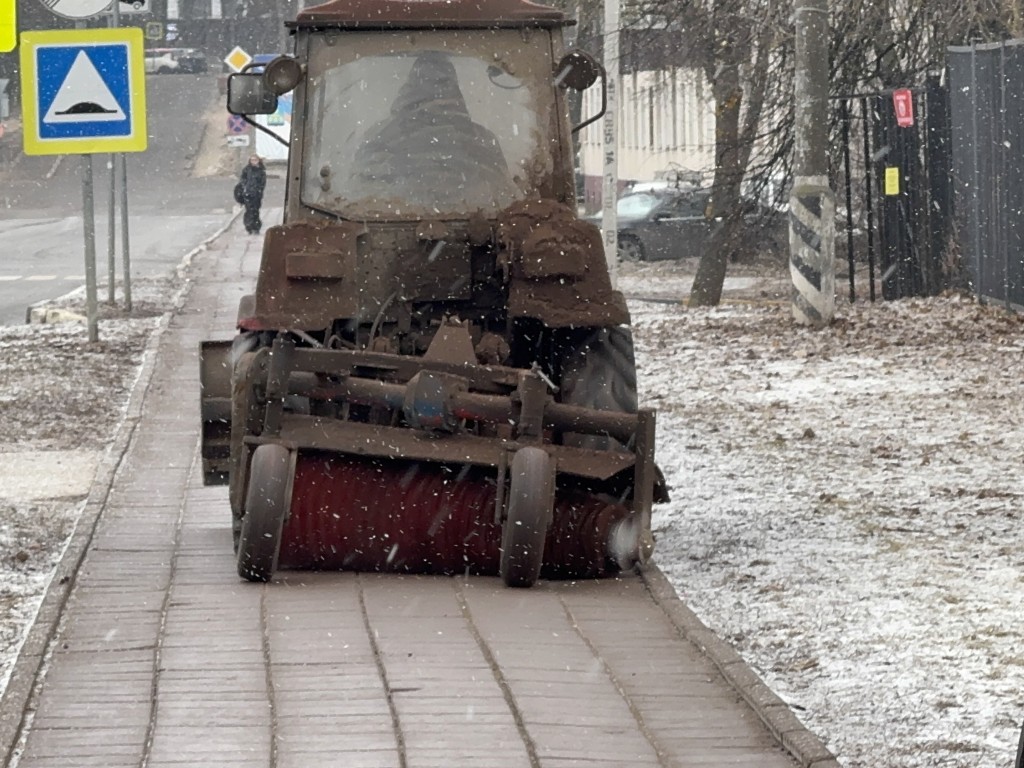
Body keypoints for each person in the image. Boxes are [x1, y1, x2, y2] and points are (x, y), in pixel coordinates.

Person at [238, 154, 266, 235]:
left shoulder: (261, 171)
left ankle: (256, 226)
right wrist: (245, 187)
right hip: (247, 193)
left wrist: (259, 190)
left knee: (255, 210)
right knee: (249, 210)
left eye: (255, 160)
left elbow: (262, 183)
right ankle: (249, 226)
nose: (253, 162)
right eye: (252, 160)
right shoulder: (247, 170)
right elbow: (242, 179)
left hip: (257, 194)